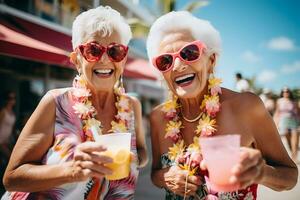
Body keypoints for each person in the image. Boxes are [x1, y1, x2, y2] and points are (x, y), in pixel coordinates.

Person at [146, 11, 298, 200]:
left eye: (189, 53)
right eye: (165, 61)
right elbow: (155, 174)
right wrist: (166, 176)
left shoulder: (247, 107)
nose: (177, 65)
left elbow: (290, 176)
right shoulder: (157, 117)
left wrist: (262, 172)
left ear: (211, 61)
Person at [2, 6, 147, 200]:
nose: (104, 59)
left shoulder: (132, 106)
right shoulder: (56, 102)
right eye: (93, 50)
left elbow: (141, 150)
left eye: (115, 51)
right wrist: (71, 170)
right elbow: (12, 178)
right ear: (76, 59)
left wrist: (136, 159)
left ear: (124, 59)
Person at [273, 87, 299, 162]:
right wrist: (275, 123)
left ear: (289, 92)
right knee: (287, 137)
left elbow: (298, 112)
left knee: (295, 139)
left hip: (294, 120)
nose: (286, 93)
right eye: (284, 91)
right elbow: (277, 112)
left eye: (287, 91)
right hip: (284, 121)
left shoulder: (294, 101)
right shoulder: (279, 101)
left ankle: (295, 157)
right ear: (282, 93)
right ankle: (293, 152)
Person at [0, 91, 16, 196]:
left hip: (6, 141)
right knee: (11, 159)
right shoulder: (3, 112)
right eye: (10, 98)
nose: (11, 100)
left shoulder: (12, 113)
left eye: (13, 98)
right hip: (0, 140)